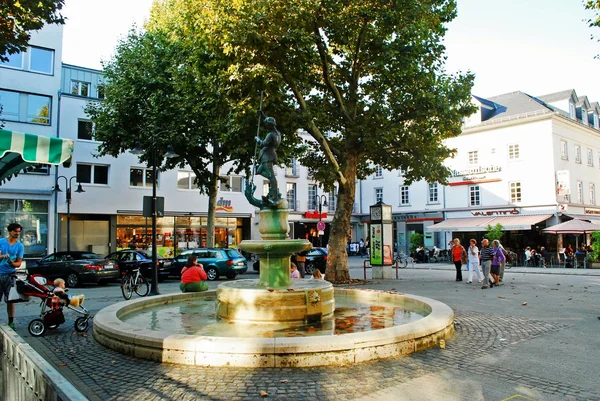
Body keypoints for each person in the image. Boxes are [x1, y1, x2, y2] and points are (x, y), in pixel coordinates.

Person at [0, 223, 24, 329]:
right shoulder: (1, 242)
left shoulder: (19, 246)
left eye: (19, 231)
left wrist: (12, 264)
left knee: (10, 300)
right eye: (15, 231)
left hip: (10, 275)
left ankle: (11, 321)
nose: (17, 233)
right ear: (10, 231)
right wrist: (1, 257)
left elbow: (19, 263)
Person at [255, 116, 282, 203]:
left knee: (272, 177)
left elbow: (263, 144)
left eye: (266, 125)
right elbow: (269, 120)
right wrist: (263, 115)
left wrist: (257, 139)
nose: (266, 126)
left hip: (267, 156)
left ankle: (274, 197)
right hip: (269, 154)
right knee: (258, 170)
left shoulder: (270, 135)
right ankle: (273, 193)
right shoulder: (278, 133)